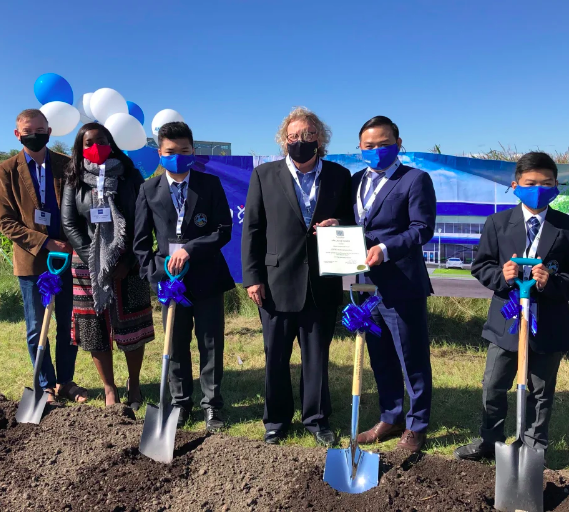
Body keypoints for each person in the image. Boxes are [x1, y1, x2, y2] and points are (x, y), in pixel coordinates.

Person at [454, 151, 569, 461]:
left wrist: (548, 282)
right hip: (506, 322)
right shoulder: (498, 223)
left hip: (548, 325)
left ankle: (533, 447)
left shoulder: (568, 227)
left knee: (541, 392)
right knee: (493, 384)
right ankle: (490, 441)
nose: (538, 189)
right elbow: (481, 265)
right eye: (531, 183)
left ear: (556, 185)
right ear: (515, 185)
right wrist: (501, 275)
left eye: (547, 183)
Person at [320, 115, 437, 453]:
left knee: (411, 357)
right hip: (365, 286)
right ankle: (391, 416)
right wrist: (335, 223)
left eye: (383, 144)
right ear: (359, 148)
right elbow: (357, 223)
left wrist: (385, 249)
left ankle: (417, 426)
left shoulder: (415, 179)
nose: (376, 151)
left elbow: (421, 229)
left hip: (401, 284)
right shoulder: (356, 180)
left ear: (398, 144)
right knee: (380, 356)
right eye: (369, 146)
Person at [241, 107, 353, 447]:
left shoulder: (339, 175)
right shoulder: (264, 175)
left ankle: (316, 419)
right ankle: (275, 420)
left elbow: (351, 223)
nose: (300, 141)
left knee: (317, 356)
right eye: (293, 136)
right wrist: (252, 278)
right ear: (283, 140)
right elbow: (253, 229)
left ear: (320, 138)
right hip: (275, 282)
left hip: (322, 281)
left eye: (307, 135)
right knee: (275, 355)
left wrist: (339, 226)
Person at [133, 121, 235, 433]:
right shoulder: (149, 190)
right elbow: (140, 243)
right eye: (171, 152)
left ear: (193, 151)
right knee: (175, 345)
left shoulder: (209, 185)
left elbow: (223, 230)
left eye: (185, 151)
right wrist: (156, 278)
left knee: (210, 343)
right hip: (170, 284)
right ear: (160, 153)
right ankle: (179, 403)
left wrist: (190, 249)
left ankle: (212, 406)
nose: (178, 156)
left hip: (206, 278)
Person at [0, 108, 87, 405]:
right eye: (27, 130)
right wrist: (46, 242)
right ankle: (45, 384)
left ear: (49, 131)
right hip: (33, 261)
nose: (34, 135)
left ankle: (66, 381)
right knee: (37, 327)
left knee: (67, 324)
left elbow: (80, 208)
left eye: (40, 130)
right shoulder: (8, 170)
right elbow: (6, 221)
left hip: (67, 258)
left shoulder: (67, 165)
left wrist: (73, 244)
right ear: (17, 133)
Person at [61, 122, 154, 410]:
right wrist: (95, 259)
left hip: (129, 263)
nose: (95, 147)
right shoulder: (74, 179)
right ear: (80, 148)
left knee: (132, 327)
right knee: (95, 328)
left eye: (101, 141)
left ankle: (134, 385)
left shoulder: (130, 175)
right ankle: (109, 388)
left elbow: (143, 218)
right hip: (88, 265)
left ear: (111, 143)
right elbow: (70, 223)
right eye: (88, 143)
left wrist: (128, 259)